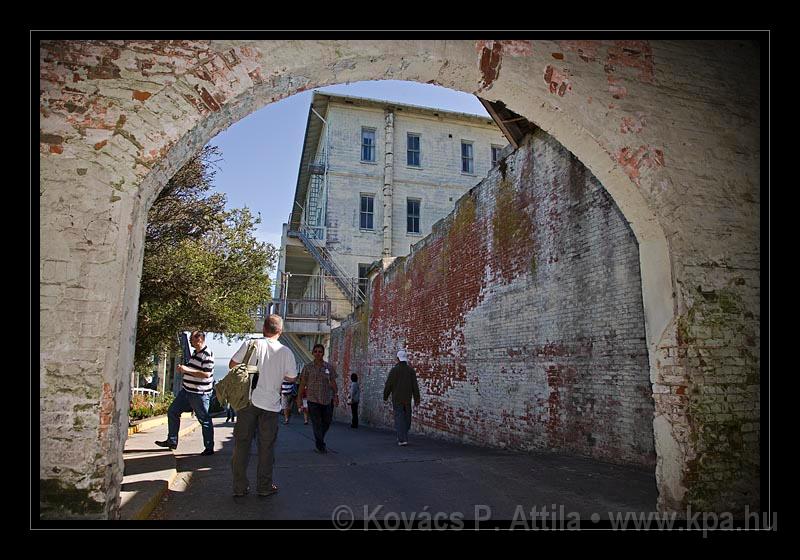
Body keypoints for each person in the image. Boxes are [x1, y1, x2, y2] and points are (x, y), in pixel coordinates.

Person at [228, 314, 297, 498]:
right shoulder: (286, 352)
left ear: (263, 329)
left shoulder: (252, 344)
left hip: (248, 402)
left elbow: (232, 364)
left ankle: (239, 487)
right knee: (266, 448)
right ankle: (264, 486)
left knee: (242, 444)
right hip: (271, 405)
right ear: (280, 331)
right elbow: (292, 377)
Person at [156, 331, 216, 455]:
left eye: (192, 339)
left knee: (204, 419)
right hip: (187, 391)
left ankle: (209, 447)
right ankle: (172, 440)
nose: (190, 341)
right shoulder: (196, 353)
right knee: (173, 411)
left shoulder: (207, 355)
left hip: (199, 394)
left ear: (199, 339)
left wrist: (186, 369)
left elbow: (206, 374)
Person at [297, 344, 338, 453]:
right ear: (313, 353)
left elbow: (333, 382)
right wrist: (299, 398)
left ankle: (320, 440)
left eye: (320, 351)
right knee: (316, 423)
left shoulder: (329, 367)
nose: (318, 353)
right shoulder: (307, 367)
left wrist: (336, 395)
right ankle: (320, 445)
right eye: (316, 351)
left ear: (323, 353)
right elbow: (302, 383)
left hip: (326, 399)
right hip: (313, 399)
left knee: (327, 421)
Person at [383, 349, 420, 446]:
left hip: (397, 398)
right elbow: (415, 386)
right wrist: (417, 399)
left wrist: (385, 396)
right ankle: (404, 436)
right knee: (407, 419)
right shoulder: (411, 371)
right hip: (407, 399)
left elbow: (388, 385)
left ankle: (402, 439)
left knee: (399, 418)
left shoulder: (394, 370)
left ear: (398, 359)